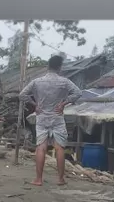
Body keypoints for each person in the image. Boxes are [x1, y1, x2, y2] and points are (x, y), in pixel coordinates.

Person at [19, 55, 82, 186]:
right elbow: (78, 93)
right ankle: (60, 179)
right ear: (59, 67)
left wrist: (35, 104)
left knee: (41, 147)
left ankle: (38, 179)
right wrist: (64, 103)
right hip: (57, 117)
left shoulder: (37, 82)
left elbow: (22, 95)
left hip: (41, 117)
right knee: (59, 148)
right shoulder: (64, 82)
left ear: (48, 66)